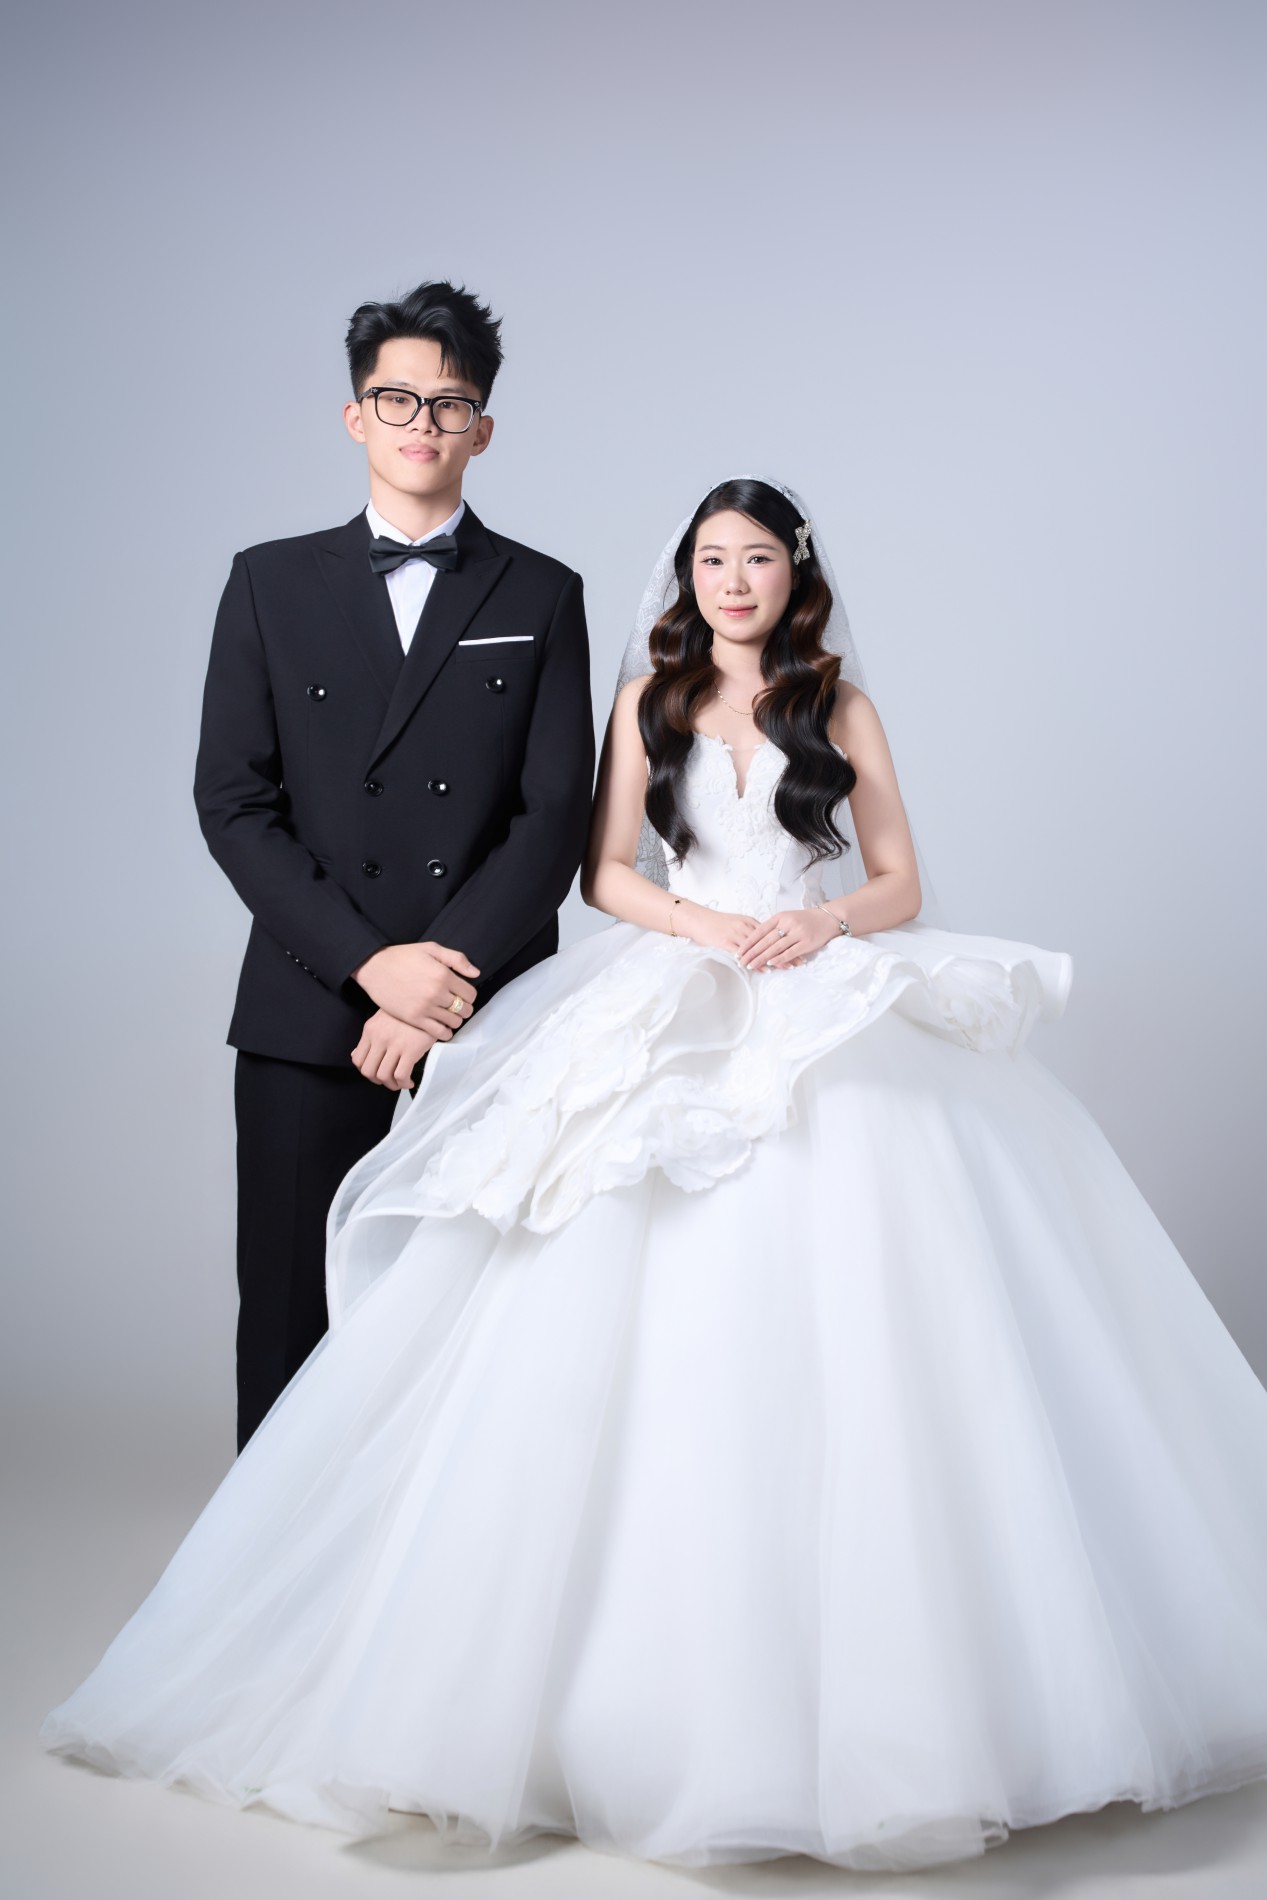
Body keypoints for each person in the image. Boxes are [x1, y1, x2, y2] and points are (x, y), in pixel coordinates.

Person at [43, 480, 1267, 1875]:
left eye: (755, 559)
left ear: (794, 573)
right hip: (678, 973)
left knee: (885, 1289)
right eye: (709, 560)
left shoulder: (841, 707)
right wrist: (699, 925)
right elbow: (602, 875)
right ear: (685, 579)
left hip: (812, 981)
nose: (731, 581)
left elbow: (896, 881)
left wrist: (820, 931)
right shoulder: (644, 701)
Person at [192, 279, 595, 1450]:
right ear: (356, 415)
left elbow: (553, 817)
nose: (423, 421)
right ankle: (271, 1561)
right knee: (285, 1317)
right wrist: (373, 967)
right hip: (308, 1009)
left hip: (485, 1020)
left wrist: (437, 983)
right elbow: (233, 803)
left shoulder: (542, 591)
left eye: (449, 403)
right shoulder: (268, 581)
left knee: (476, 1320)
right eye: (397, 398)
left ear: (483, 428)